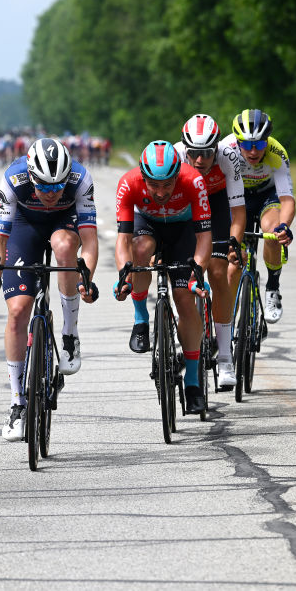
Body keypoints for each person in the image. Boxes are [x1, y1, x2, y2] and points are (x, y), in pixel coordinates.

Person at [0, 137, 99, 441]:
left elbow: (90, 239)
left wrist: (87, 277)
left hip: (64, 224)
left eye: (58, 186)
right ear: (31, 176)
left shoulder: (80, 179)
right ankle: (17, 404)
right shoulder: (13, 178)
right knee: (18, 310)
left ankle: (70, 334)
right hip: (25, 226)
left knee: (64, 246)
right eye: (44, 186)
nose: (52, 193)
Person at [113, 140, 212, 413]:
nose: (160, 192)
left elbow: (204, 238)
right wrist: (125, 273)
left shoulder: (193, 181)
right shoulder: (128, 183)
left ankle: (192, 383)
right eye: (153, 185)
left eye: (167, 185)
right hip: (149, 226)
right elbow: (123, 241)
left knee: (183, 299)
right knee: (140, 249)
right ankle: (141, 318)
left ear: (178, 175)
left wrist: (198, 271)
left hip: (183, 232)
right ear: (143, 177)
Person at [173, 114, 246, 388]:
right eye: (194, 153)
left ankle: (225, 357)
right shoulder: (175, 157)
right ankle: (188, 339)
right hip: (185, 205)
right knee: (182, 276)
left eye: (206, 153)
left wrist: (233, 245)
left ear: (216, 148)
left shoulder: (228, 157)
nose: (200, 160)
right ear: (185, 149)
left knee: (217, 272)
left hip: (216, 204)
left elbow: (238, 214)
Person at [223, 109, 295, 323]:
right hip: (236, 198)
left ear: (267, 141)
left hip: (266, 195)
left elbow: (287, 200)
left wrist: (284, 226)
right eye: (246, 145)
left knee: (272, 232)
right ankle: (229, 307)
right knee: (235, 257)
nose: (253, 151)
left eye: (259, 145)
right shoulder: (226, 150)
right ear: (237, 142)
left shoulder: (276, 152)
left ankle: (273, 287)